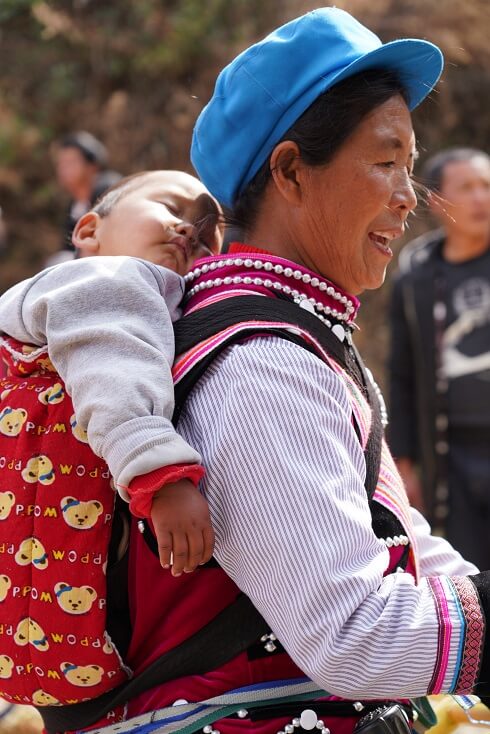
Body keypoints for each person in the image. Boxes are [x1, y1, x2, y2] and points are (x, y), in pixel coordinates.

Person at [2, 8, 490, 734]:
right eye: (386, 161)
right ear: (291, 170)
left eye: (410, 167)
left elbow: (405, 538)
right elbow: (355, 633)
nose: (406, 196)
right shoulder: (260, 361)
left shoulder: (303, 340)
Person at [0, 170, 221, 724]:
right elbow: (113, 366)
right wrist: (160, 475)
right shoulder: (110, 278)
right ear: (89, 229)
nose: (188, 228)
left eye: (209, 229)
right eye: (170, 205)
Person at [389, 148, 490, 567]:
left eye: (486, 186)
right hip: (452, 455)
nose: (481, 198)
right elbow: (402, 374)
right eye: (465, 188)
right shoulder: (416, 278)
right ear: (437, 201)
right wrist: (405, 465)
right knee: (471, 566)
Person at [54, 131, 121, 251]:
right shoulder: (74, 205)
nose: (64, 169)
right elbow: (68, 248)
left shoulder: (108, 189)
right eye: (61, 164)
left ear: (92, 166)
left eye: (71, 162)